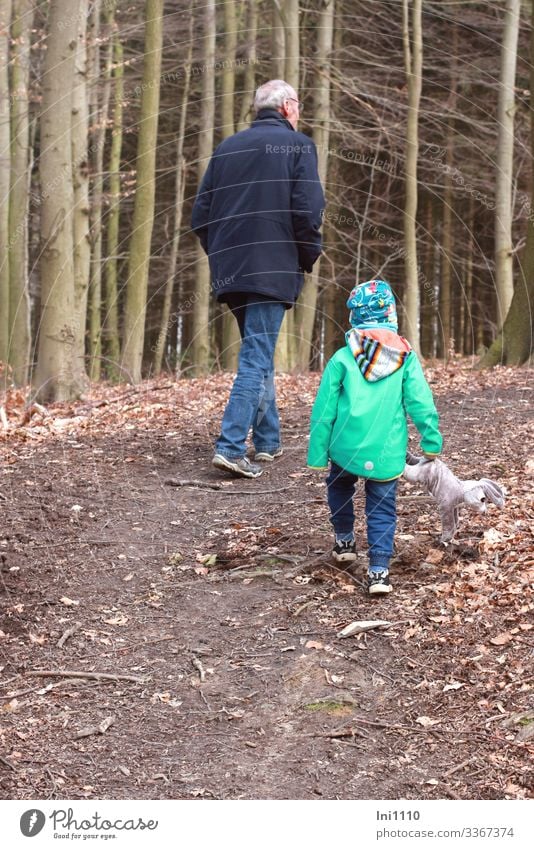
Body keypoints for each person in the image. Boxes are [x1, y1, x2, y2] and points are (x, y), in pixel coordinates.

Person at [191, 79, 325, 479]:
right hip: (271, 266)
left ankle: (268, 442)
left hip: (230, 270)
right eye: (298, 104)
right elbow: (308, 210)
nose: (299, 111)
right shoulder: (298, 146)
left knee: (258, 351)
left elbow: (201, 216)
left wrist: (222, 254)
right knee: (255, 358)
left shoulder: (226, 148)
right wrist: (307, 255)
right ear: (286, 107)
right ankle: (231, 446)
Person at [307, 279, 443, 595]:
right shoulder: (405, 358)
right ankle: (379, 572)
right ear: (390, 316)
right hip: (386, 451)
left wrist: (317, 453)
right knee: (382, 506)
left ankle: (344, 541)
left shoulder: (342, 358)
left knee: (339, 485)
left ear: (355, 318)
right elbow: (421, 403)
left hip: (345, 447)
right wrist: (431, 442)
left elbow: (324, 409)